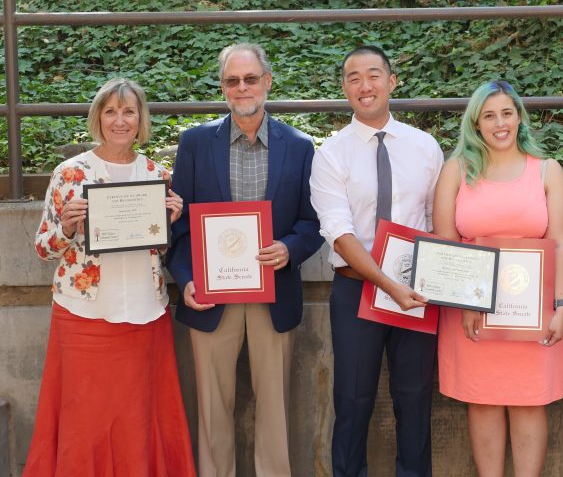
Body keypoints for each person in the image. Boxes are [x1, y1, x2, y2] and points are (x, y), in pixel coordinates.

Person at [26, 78, 195, 476]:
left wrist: (171, 222)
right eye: (111, 111)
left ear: (141, 120)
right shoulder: (70, 173)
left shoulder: (160, 175)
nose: (120, 120)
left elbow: (164, 252)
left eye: (129, 112)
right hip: (84, 316)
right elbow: (43, 249)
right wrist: (65, 230)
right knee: (84, 421)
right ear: (98, 117)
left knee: (139, 418)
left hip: (145, 313)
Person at [167, 43, 323, 477]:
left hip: (274, 293)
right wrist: (186, 278)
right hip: (210, 295)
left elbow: (313, 223)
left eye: (250, 78)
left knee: (275, 405)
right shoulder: (196, 143)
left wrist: (290, 249)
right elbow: (178, 223)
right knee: (213, 406)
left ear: (267, 82)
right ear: (223, 87)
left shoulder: (299, 145)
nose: (242, 87)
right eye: (233, 80)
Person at [309, 45, 444, 477]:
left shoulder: (425, 147)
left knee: (415, 398)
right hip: (356, 288)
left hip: (417, 290)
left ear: (392, 81)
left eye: (373, 75)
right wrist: (386, 284)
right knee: (352, 400)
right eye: (353, 78)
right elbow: (339, 232)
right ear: (345, 88)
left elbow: (434, 223)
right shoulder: (330, 153)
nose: (364, 86)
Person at [432, 80, 563, 477]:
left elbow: (560, 243)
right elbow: (448, 246)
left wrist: (561, 306)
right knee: (483, 401)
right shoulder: (456, 171)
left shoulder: (547, 170)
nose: (499, 123)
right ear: (475, 124)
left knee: (530, 401)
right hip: (473, 312)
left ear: (519, 117)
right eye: (489, 115)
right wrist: (466, 303)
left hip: (535, 312)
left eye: (506, 113)